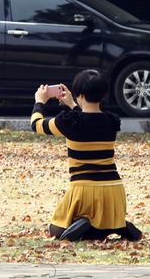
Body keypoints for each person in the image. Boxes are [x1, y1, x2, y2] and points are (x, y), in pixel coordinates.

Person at [30, 69, 142, 242]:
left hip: (84, 188)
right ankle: (118, 226)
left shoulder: (68, 121)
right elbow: (88, 120)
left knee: (56, 231)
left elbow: (36, 125)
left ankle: (85, 225)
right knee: (103, 223)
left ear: (79, 94)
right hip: (114, 187)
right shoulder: (111, 120)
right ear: (103, 93)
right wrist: (72, 104)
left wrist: (40, 101)